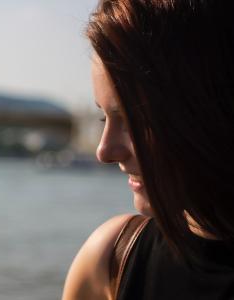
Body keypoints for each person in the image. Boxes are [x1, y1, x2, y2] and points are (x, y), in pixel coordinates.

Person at [62, 0, 234, 299]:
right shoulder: (109, 262)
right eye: (104, 117)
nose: (104, 151)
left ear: (210, 109)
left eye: (136, 120)